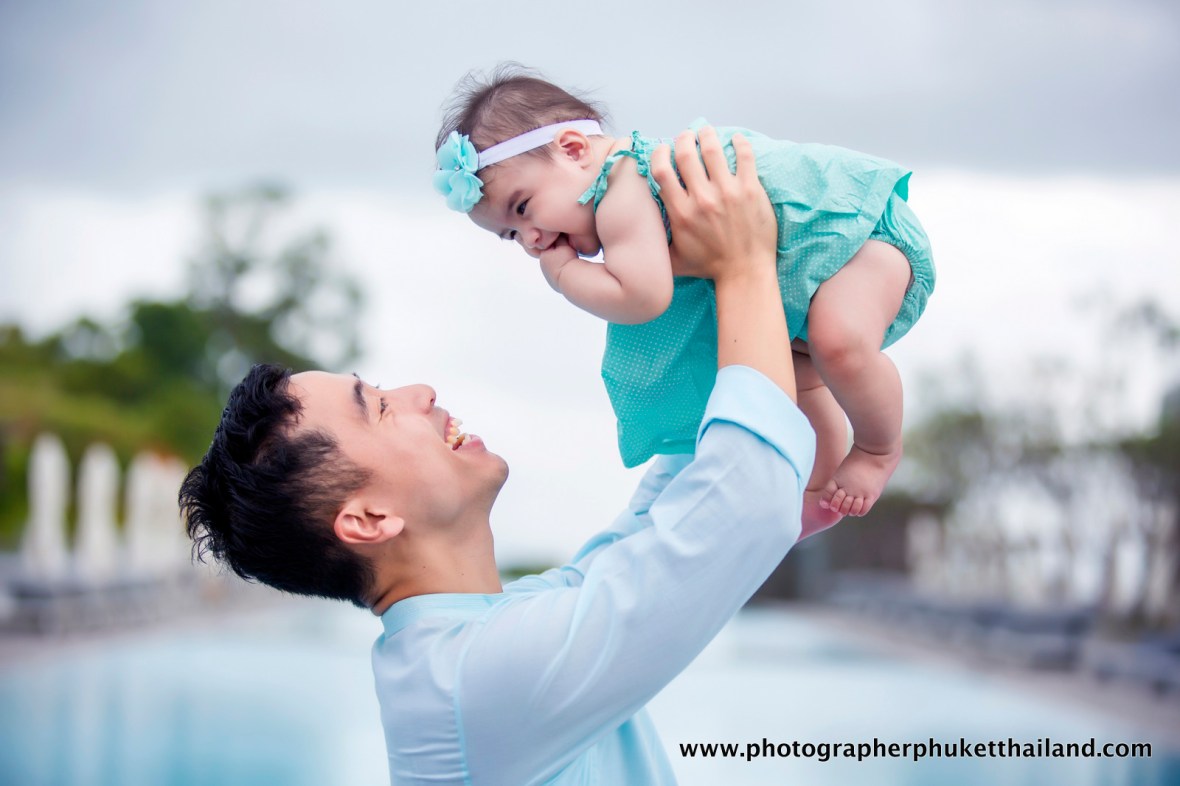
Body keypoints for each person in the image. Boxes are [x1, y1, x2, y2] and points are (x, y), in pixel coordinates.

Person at [181, 127, 815, 785]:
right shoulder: (482, 680)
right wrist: (744, 265)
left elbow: (670, 516)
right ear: (368, 519)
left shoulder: (476, 646)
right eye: (379, 406)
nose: (421, 392)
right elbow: (746, 502)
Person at [433, 64, 936, 528]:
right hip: (812, 279)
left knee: (837, 344)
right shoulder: (618, 192)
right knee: (797, 379)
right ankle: (816, 487)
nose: (533, 240)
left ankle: (877, 449)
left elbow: (642, 298)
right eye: (510, 236)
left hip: (858, 241)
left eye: (523, 208)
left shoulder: (622, 185)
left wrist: (565, 276)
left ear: (573, 149)